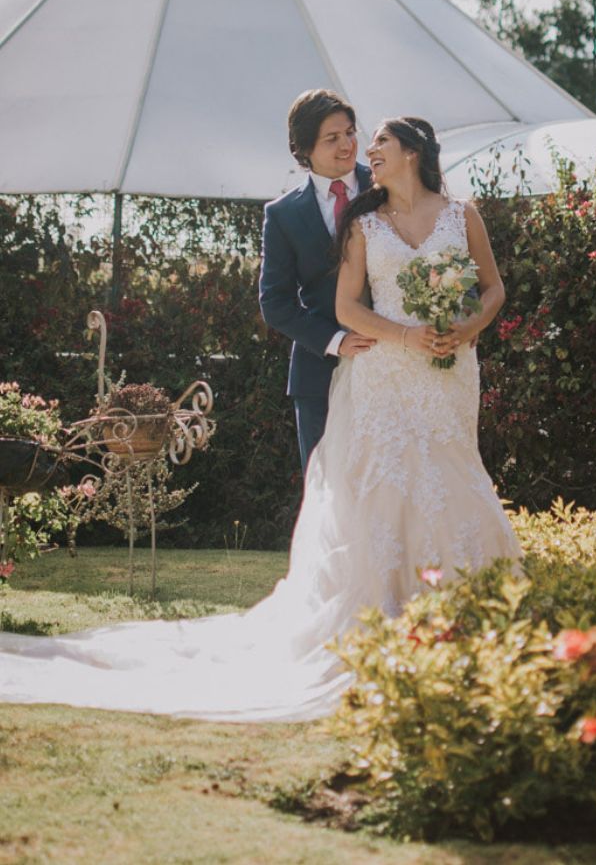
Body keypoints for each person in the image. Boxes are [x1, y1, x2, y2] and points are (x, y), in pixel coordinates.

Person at [0, 117, 521, 723]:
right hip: (381, 370)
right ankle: (386, 617)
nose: (364, 147)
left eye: (374, 138)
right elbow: (339, 306)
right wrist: (403, 335)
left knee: (449, 477)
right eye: (348, 137)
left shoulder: (462, 215)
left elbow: (493, 289)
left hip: (448, 373)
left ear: (413, 152)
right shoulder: (362, 222)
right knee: (382, 489)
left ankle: (465, 614)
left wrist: (467, 328)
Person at [259, 89, 374, 474]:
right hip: (318, 377)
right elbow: (275, 303)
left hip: (393, 363)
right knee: (328, 489)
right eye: (332, 138)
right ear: (304, 149)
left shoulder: (387, 188)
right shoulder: (283, 215)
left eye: (350, 132)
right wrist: (337, 341)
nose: (347, 144)